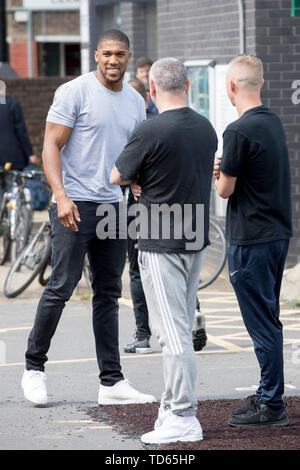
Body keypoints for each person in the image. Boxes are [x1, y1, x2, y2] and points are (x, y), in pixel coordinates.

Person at [21, 29, 155, 407]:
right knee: (61, 287)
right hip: (75, 204)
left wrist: (138, 181)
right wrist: (60, 196)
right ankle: (34, 368)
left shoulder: (135, 100)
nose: (114, 60)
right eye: (107, 53)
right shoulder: (74, 92)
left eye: (121, 54)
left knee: (109, 294)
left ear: (130, 57)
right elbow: (50, 144)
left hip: (114, 205)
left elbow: (132, 151)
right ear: (96, 55)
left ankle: (111, 381)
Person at [111, 57, 218, 444]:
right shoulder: (206, 127)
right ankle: (172, 408)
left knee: (171, 334)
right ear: (187, 87)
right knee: (181, 326)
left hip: (161, 239)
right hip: (195, 239)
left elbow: (116, 174)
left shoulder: (149, 129)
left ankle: (183, 416)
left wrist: (136, 178)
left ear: (152, 90)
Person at [214, 54, 293, 427]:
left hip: (251, 240)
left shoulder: (238, 131)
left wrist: (218, 172)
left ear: (231, 86)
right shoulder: (273, 122)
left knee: (262, 323)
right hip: (277, 236)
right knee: (269, 318)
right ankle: (268, 393)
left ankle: (272, 405)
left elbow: (225, 190)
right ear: (259, 83)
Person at [123, 79, 155, 354]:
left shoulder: (134, 127)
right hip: (177, 207)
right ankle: (192, 323)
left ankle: (143, 335)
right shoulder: (163, 120)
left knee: (137, 270)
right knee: (182, 267)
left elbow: (117, 168)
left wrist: (132, 178)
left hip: (140, 208)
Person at [0, 94, 38, 199]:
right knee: (13, 186)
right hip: (11, 157)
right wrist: (30, 153)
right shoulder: (12, 104)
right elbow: (21, 132)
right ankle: (12, 212)